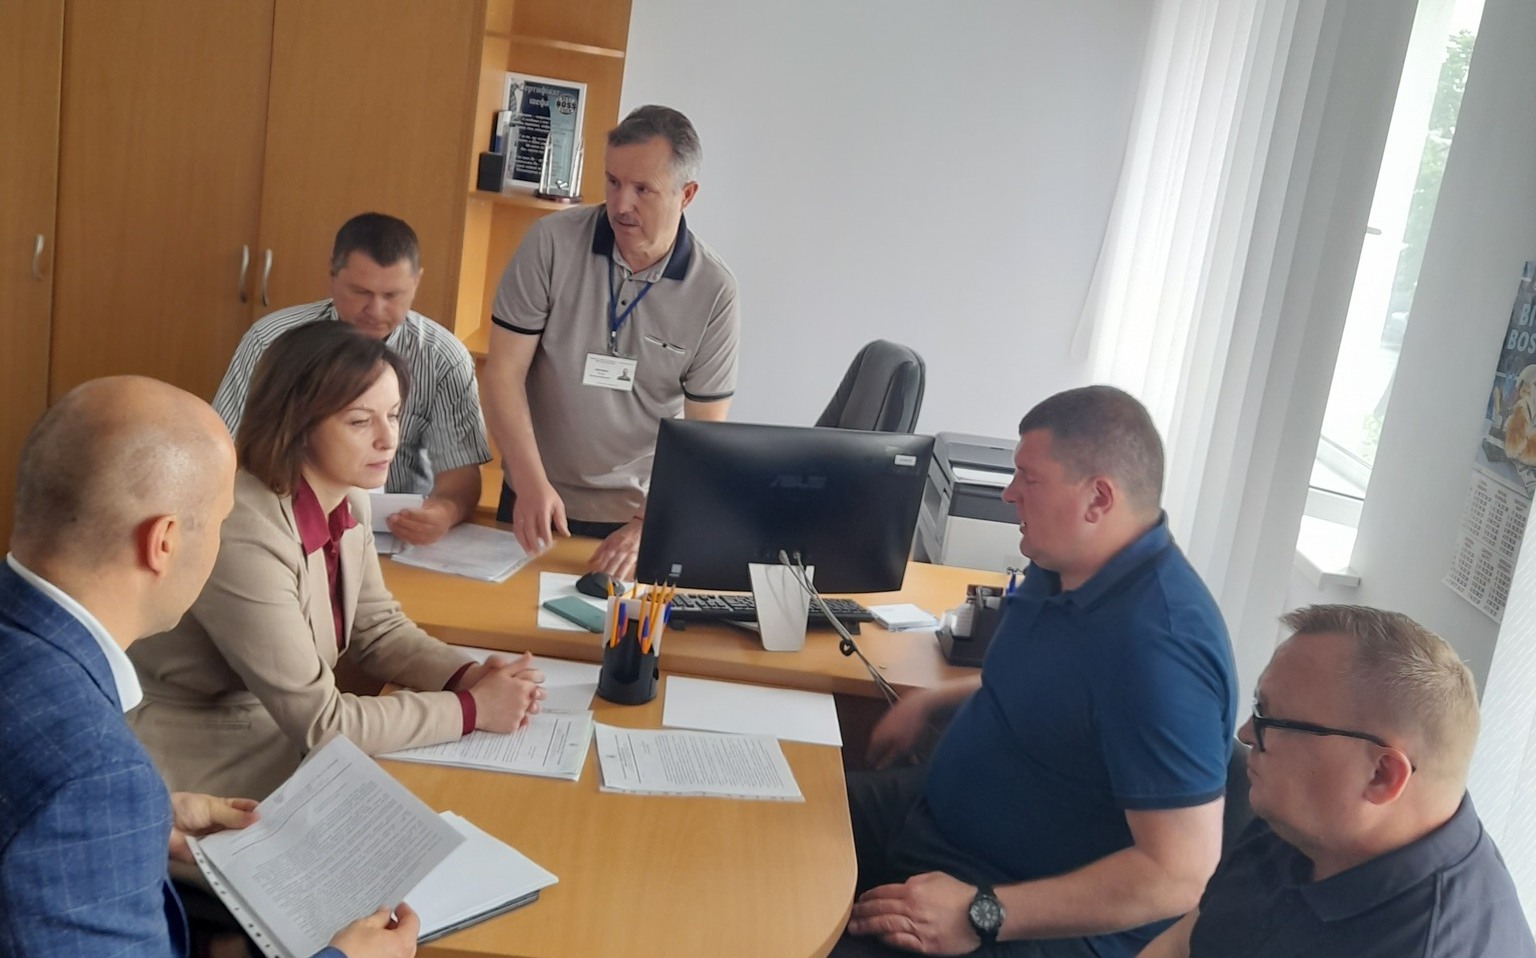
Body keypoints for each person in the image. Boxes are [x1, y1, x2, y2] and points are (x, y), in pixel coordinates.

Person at [0, 376, 416, 957]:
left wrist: (149, 820)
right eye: (222, 521)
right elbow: (65, 787)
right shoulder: (97, 780)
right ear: (164, 543)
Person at [841, 385, 1238, 958]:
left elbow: (1178, 873)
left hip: (1011, 908)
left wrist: (979, 914)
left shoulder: (1160, 651)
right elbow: (1052, 688)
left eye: (1028, 478)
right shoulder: (1061, 566)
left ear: (1098, 499)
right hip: (931, 819)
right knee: (755, 818)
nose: (1009, 494)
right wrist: (935, 700)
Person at [130, 322, 544, 800]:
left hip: (280, 736)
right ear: (298, 424)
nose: (388, 439)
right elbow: (322, 722)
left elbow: (379, 630)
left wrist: (469, 676)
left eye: (394, 415)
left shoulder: (348, 497)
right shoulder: (242, 528)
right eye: (360, 422)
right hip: (202, 761)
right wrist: (474, 709)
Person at [1139, 605, 1536, 957]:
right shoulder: (1306, 820)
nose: (1245, 733)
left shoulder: (1431, 945)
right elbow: (1185, 943)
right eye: (1259, 707)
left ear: (1381, 775)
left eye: (1272, 719)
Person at [482, 105, 741, 581]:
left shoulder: (714, 291)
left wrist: (648, 524)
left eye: (643, 189)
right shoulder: (550, 243)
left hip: (635, 517)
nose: (621, 204)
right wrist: (530, 482)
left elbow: (705, 437)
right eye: (613, 181)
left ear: (686, 195)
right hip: (536, 496)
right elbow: (502, 373)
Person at [213, 212, 491, 546]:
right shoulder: (271, 340)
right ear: (332, 274)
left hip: (391, 533)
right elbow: (221, 451)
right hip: (280, 527)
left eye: (392, 295)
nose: (375, 310)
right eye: (360, 292)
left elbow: (461, 472)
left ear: (416, 282)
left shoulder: (443, 357)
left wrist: (443, 512)